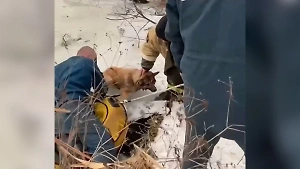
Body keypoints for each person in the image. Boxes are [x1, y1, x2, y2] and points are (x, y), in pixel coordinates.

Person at [165, 0, 245, 168]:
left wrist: (189, 71)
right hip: (251, 92)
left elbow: (174, 37)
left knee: (194, 158)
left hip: (199, 87)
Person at [55, 46, 125, 163]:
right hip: (73, 108)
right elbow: (101, 88)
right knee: (104, 149)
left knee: (69, 148)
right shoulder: (87, 62)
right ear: (91, 58)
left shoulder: (56, 68)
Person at [141, 15, 183, 101]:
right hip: (171, 58)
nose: (165, 41)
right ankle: (173, 92)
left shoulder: (190, 37)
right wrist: (146, 66)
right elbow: (150, 47)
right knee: (172, 71)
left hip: (186, 57)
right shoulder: (155, 34)